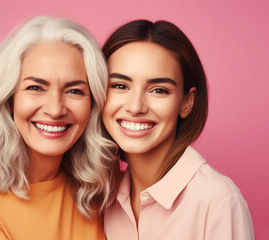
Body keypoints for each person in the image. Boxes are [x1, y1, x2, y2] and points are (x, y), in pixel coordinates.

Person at [0, 16, 119, 240]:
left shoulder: (101, 195)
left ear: (93, 105)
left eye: (74, 91)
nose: (55, 109)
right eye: (35, 87)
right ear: (8, 99)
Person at [101, 20, 255, 239]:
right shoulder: (101, 197)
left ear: (186, 102)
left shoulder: (217, 200)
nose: (136, 107)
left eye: (158, 90)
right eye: (119, 86)